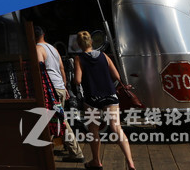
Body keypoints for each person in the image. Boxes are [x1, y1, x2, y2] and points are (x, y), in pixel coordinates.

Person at [74, 29, 134, 170]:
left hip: (92, 98)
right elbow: (116, 76)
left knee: (93, 129)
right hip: (109, 95)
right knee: (116, 128)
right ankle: (130, 162)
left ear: (79, 44)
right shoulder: (104, 56)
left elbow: (77, 80)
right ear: (91, 42)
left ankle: (96, 161)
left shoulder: (79, 58)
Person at [36, 26, 83, 162]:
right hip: (59, 88)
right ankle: (46, 152)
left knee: (59, 121)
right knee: (53, 120)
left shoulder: (38, 49)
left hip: (51, 90)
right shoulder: (53, 49)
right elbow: (62, 68)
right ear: (44, 34)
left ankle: (76, 153)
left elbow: (41, 69)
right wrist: (64, 86)